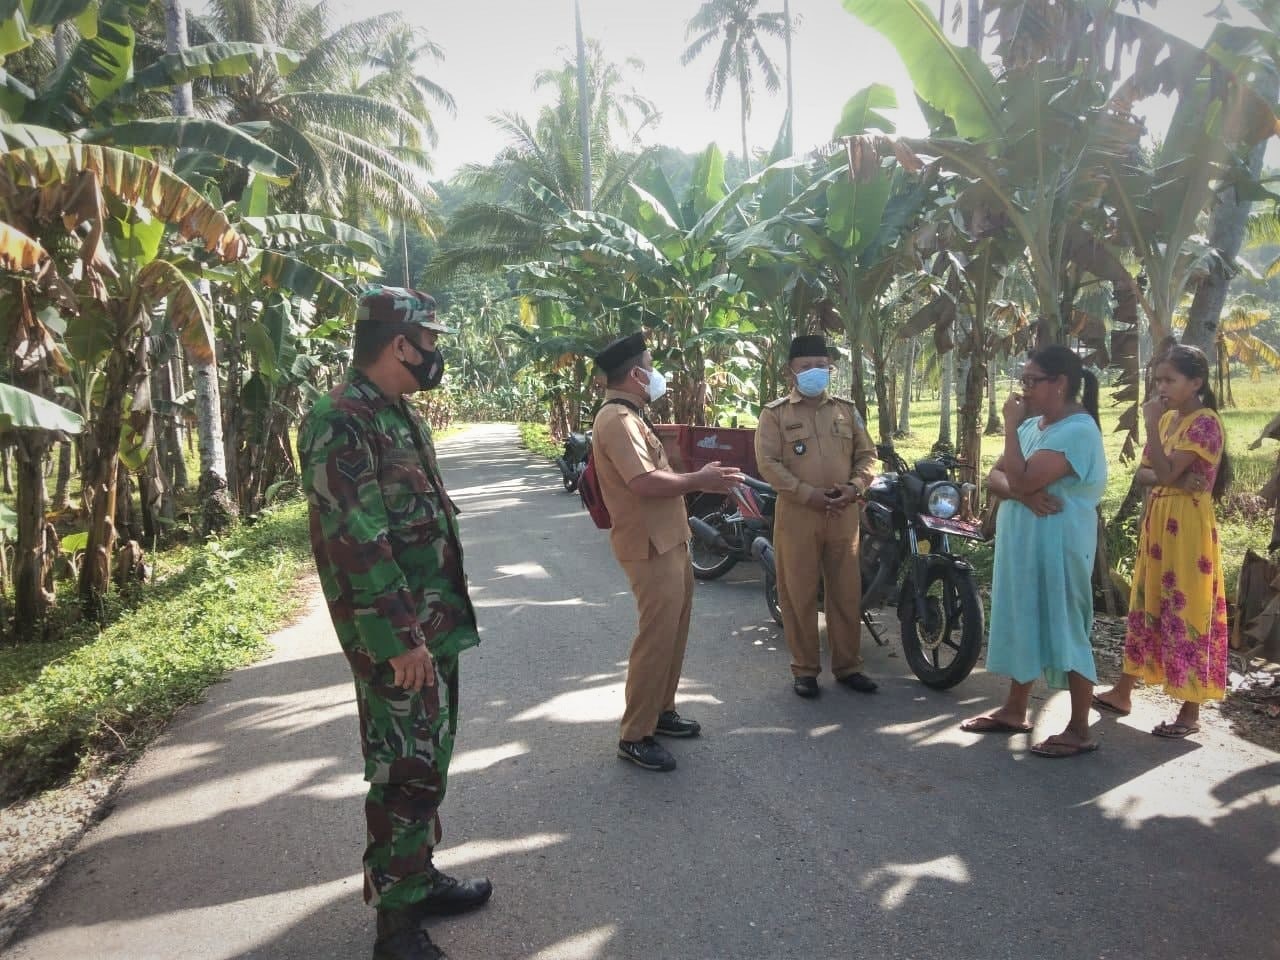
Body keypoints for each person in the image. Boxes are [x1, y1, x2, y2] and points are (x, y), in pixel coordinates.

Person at [298, 286, 490, 960]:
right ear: (399, 343)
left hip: (432, 625)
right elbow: (356, 540)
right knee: (405, 771)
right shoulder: (342, 419)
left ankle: (418, 876)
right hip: (399, 636)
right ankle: (396, 927)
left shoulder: (399, 414)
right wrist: (400, 639)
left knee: (428, 762)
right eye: (429, 341)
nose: (435, 353)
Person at [591, 333, 743, 772]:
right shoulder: (617, 419)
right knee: (655, 637)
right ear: (636, 375)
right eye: (651, 366)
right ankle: (635, 734)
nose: (656, 374)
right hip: (648, 544)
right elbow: (643, 482)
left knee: (673, 632)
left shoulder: (633, 416)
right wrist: (700, 480)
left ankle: (661, 710)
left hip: (669, 538)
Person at [961, 345, 1107, 758]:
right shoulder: (1033, 426)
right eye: (1023, 380)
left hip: (1060, 547)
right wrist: (1022, 496)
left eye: (1031, 381)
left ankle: (1079, 728)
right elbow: (996, 477)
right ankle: (1014, 709)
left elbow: (1021, 477)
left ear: (1059, 383)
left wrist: (1010, 428)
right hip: (1024, 544)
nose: (1023, 390)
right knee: (1024, 617)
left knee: (1067, 626)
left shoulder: (1077, 431)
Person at [1093, 344, 1231, 739]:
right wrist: (1172, 476)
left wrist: (1153, 432)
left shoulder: (1204, 423)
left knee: (1187, 607)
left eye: (1169, 380)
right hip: (1159, 521)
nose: (1161, 388)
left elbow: (1165, 473)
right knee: (1146, 601)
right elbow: (1145, 474)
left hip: (1187, 527)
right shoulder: (1169, 420)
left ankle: (1190, 710)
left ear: (1196, 382)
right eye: (1158, 381)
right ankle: (1123, 691)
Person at [754, 334, 878, 699]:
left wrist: (855, 487)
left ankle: (848, 666)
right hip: (798, 515)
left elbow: (867, 455)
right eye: (806, 366)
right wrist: (808, 494)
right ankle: (805, 669)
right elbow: (768, 463)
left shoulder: (846, 410)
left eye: (821, 366)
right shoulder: (775, 414)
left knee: (846, 593)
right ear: (790, 372)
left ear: (830, 369)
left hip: (843, 514)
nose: (814, 372)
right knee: (798, 593)